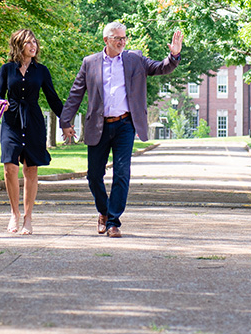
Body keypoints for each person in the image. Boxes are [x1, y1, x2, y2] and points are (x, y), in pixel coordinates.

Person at [60, 22, 183, 238]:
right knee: (94, 176)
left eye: (124, 38)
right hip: (98, 126)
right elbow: (75, 93)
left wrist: (173, 56)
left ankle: (113, 222)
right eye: (117, 38)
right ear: (106, 40)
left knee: (122, 173)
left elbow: (160, 67)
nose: (122, 42)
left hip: (125, 124)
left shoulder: (134, 58)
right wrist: (65, 121)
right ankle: (104, 212)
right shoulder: (90, 62)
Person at [0, 29, 63, 235]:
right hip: (11, 120)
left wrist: (66, 120)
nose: (33, 46)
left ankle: (28, 217)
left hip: (33, 120)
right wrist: (0, 102)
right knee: (10, 167)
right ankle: (14, 213)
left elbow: (53, 98)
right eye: (28, 42)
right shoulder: (6, 69)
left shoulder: (42, 71)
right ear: (18, 45)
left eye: (35, 42)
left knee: (31, 169)